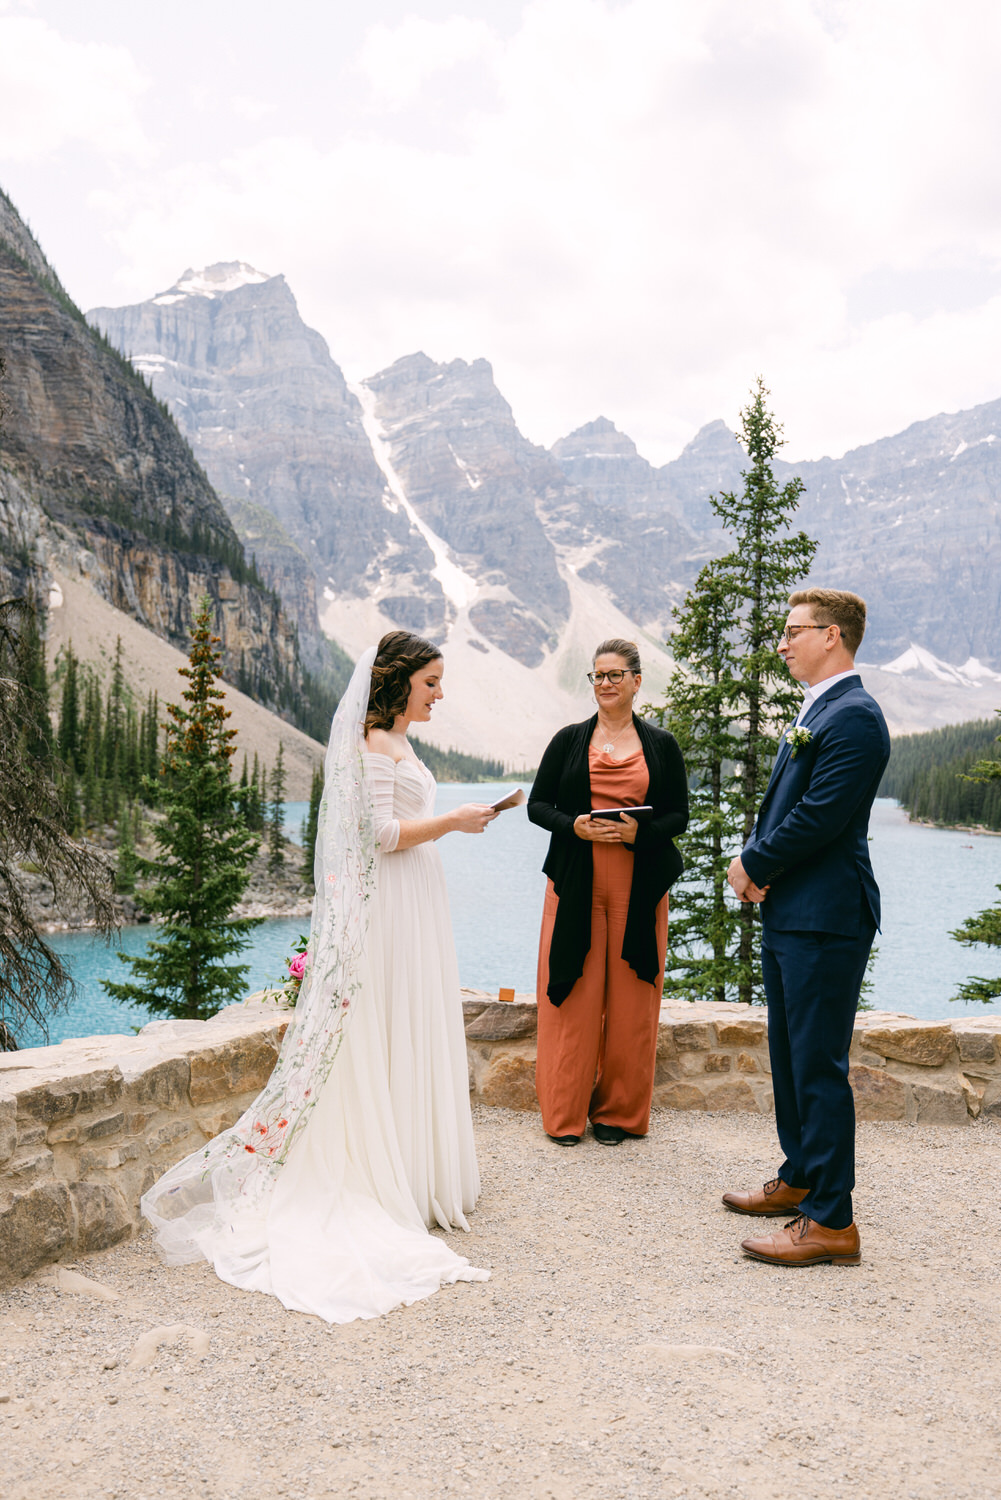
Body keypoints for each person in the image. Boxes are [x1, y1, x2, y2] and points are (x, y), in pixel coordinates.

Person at [142, 631, 498, 1322]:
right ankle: (384, 1174)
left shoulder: (398, 743)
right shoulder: (369, 746)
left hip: (415, 899)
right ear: (398, 683)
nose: (439, 694)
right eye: (430, 683)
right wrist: (451, 822)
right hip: (391, 905)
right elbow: (378, 836)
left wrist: (449, 823)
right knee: (388, 1021)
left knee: (411, 1023)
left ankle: (416, 1171)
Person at [724, 588, 890, 1267]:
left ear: (833, 636)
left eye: (794, 632)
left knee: (818, 1066)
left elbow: (820, 816)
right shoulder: (821, 708)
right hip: (796, 909)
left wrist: (750, 864)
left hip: (826, 916)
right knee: (792, 1059)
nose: (783, 643)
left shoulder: (854, 717)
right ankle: (799, 1176)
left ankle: (831, 1221)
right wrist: (767, 876)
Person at [528, 639, 688, 1146]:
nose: (605, 684)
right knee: (570, 998)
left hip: (637, 889)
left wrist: (640, 833)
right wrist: (574, 825)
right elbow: (538, 806)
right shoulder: (568, 740)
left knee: (631, 1003)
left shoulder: (661, 745)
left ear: (637, 681)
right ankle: (564, 1115)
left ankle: (618, 1115)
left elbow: (679, 814)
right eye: (597, 676)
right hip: (575, 883)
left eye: (615, 675)